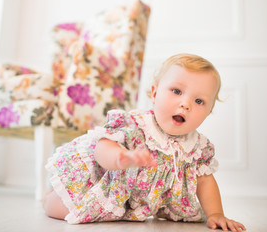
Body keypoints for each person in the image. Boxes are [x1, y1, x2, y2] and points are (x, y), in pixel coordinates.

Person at [44, 53, 246, 231]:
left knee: (117, 215)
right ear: (155, 93)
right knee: (59, 208)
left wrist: (215, 214)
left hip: (130, 203)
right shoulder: (136, 126)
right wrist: (120, 157)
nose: (185, 104)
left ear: (208, 112)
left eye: (199, 101)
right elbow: (102, 147)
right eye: (176, 91)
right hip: (104, 182)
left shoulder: (197, 147)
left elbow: (205, 181)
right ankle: (50, 195)